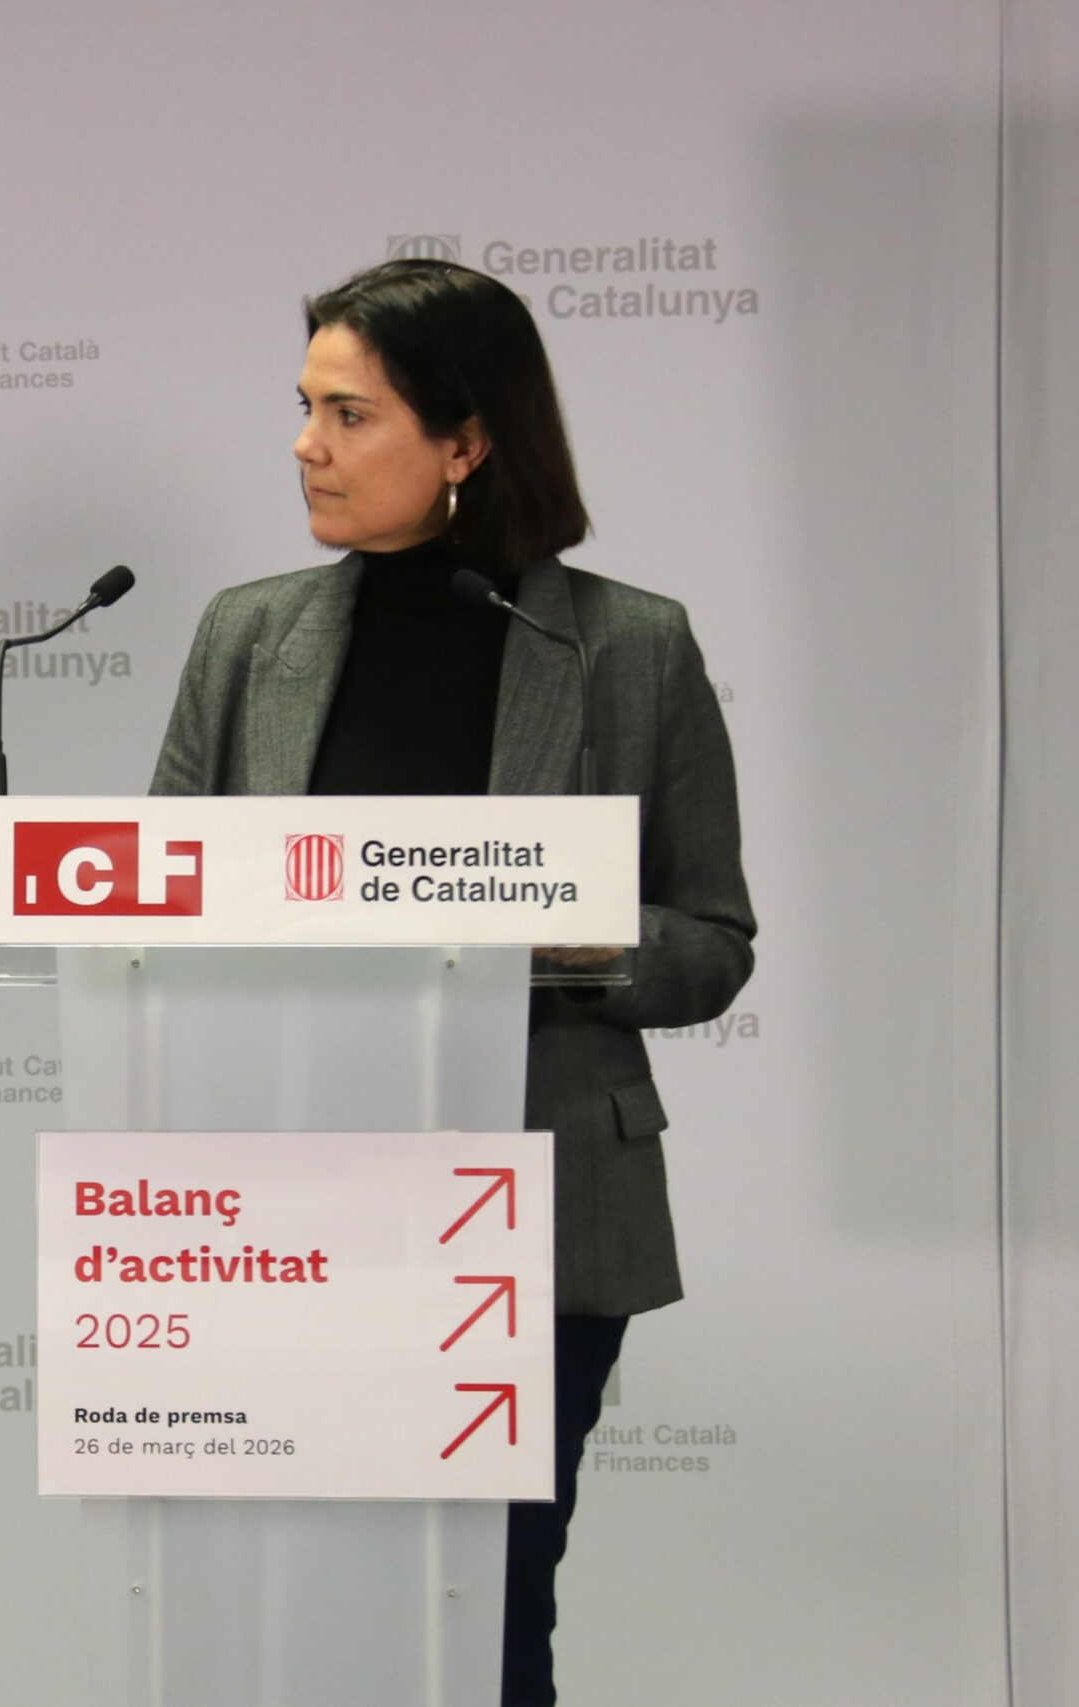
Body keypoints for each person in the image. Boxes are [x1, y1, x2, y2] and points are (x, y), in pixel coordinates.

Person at [150, 257, 754, 1705]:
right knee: (282, 1616)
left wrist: (558, 926)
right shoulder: (247, 635)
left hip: (530, 1214)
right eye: (305, 408)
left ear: (467, 441)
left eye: (348, 414)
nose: (306, 445)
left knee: (483, 1617)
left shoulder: (629, 647)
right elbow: (162, 906)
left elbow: (712, 942)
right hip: (286, 1216)